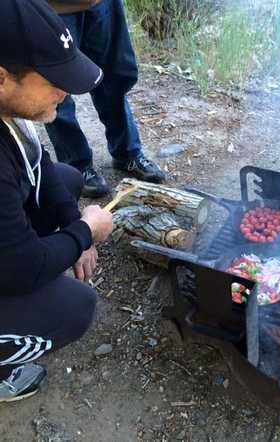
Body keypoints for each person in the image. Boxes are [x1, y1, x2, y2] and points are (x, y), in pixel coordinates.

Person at [0, 0, 114, 402]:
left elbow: (39, 160)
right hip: (11, 266)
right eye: (52, 80)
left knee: (64, 180)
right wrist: (83, 233)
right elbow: (21, 268)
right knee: (73, 308)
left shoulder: (8, 107)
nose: (65, 93)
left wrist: (72, 223)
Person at [44, 0, 165, 198]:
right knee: (55, 89)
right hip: (52, 6)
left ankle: (128, 154)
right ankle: (77, 165)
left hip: (101, 4)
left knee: (114, 78)